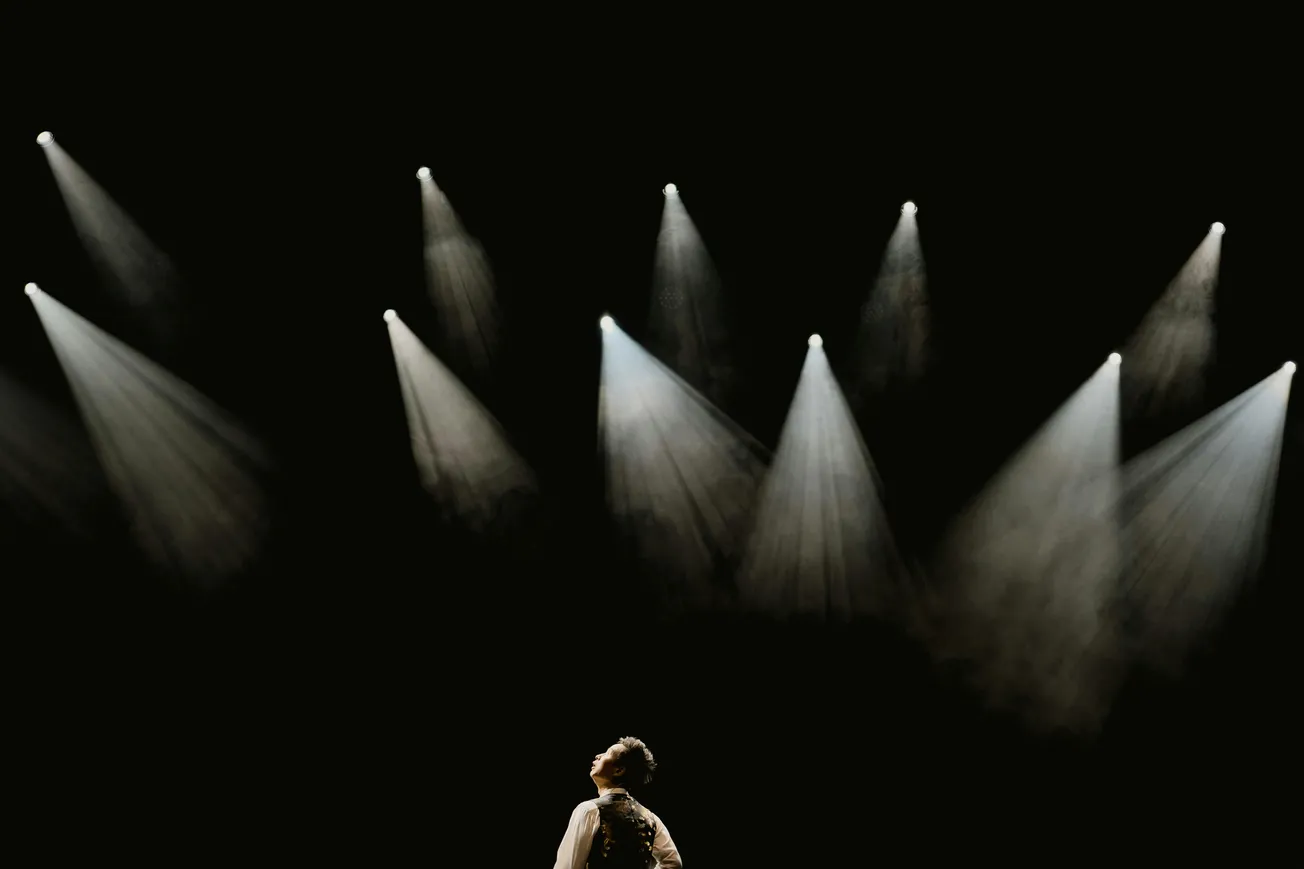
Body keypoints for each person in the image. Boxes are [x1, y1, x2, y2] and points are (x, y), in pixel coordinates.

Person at [552, 736, 682, 868]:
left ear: (619, 770)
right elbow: (673, 863)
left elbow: (568, 866)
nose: (598, 756)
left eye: (607, 753)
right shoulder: (652, 819)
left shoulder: (589, 810)